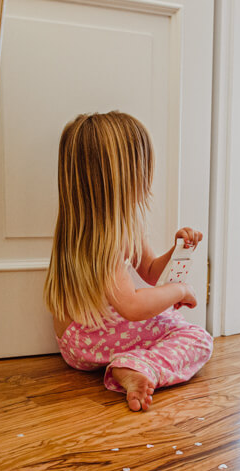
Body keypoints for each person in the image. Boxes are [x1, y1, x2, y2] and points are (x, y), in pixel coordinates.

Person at [44, 112, 213, 412]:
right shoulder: (103, 239)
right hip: (87, 338)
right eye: (143, 168)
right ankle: (136, 366)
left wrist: (176, 252)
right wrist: (181, 290)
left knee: (169, 321)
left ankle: (129, 362)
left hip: (80, 338)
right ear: (122, 177)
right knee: (196, 337)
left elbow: (148, 274)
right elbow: (133, 307)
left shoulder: (98, 225)